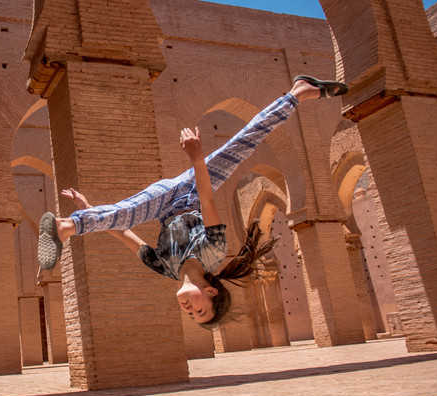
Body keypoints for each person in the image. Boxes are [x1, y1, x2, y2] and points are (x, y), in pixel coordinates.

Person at [37, 75, 348, 326]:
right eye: (200, 310)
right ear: (211, 291)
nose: (190, 310)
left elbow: (126, 234)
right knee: (244, 143)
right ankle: (297, 93)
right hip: (192, 190)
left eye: (191, 316)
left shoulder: (165, 268)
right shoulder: (214, 252)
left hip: (163, 206)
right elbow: (207, 200)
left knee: (132, 212)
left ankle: (70, 225)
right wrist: (197, 157)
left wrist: (93, 212)